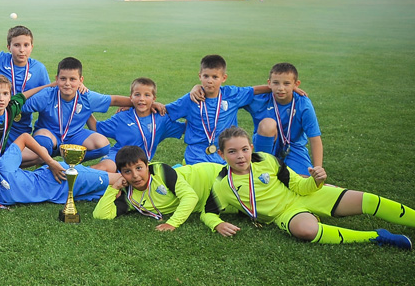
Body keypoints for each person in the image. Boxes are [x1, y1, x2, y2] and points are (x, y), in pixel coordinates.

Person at [187, 127, 412, 249]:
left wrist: (316, 180)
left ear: (251, 148)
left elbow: (299, 186)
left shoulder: (267, 160)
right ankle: (376, 237)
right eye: (232, 152)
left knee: (368, 200)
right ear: (221, 154)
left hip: (307, 195)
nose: (240, 156)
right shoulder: (222, 184)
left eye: (244, 149)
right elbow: (207, 212)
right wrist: (218, 224)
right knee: (306, 230)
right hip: (286, 214)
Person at [21, 57, 154, 164]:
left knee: (102, 145)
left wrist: (145, 103)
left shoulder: (86, 97)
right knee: (43, 141)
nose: (67, 83)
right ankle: (45, 160)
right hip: (50, 135)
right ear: (56, 79)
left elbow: (114, 100)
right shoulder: (46, 95)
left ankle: (69, 160)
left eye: (73, 79)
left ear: (81, 80)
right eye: (63, 79)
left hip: (74, 136)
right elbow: (21, 107)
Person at [165, 54, 274, 165]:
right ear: (200, 76)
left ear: (224, 78)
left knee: (232, 175)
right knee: (204, 175)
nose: (210, 81)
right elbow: (167, 112)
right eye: (206, 76)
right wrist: (158, 106)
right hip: (196, 154)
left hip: (226, 153)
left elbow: (254, 90)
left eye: (215, 77)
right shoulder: (191, 98)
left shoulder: (231, 94)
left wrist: (276, 87)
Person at [0, 144, 121, 212]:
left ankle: (134, 166)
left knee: (121, 180)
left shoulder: (4, 166)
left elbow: (24, 138)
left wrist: (50, 161)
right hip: (60, 197)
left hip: (60, 178)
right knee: (107, 186)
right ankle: (109, 163)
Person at [92, 145, 200, 230]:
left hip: (204, 178)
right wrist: (114, 188)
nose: (135, 175)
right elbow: (100, 215)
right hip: (201, 205)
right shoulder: (129, 196)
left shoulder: (161, 171)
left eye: (139, 168)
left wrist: (172, 223)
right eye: (127, 171)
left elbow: (190, 197)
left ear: (147, 165)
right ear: (121, 174)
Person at [90, 77, 184, 173]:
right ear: (131, 97)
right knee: (104, 168)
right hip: (118, 157)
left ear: (154, 99)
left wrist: (190, 109)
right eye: (137, 95)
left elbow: (185, 128)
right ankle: (81, 176)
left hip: (140, 165)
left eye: (147, 95)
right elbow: (96, 128)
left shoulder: (161, 119)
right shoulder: (122, 117)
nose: (141, 99)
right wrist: (85, 110)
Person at [0, 25, 51, 137]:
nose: (22, 50)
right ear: (9, 47)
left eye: (26, 45)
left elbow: (47, 97)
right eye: (16, 45)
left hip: (21, 127)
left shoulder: (39, 69)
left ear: (32, 47)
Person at [250, 62, 322, 176]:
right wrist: (266, 89)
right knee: (268, 124)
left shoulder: (303, 104)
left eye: (287, 83)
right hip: (268, 145)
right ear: (269, 83)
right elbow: (237, 94)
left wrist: (318, 169)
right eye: (276, 83)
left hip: (293, 147)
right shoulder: (260, 99)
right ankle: (262, 167)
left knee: (304, 181)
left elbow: (315, 138)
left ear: (296, 84)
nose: (281, 88)